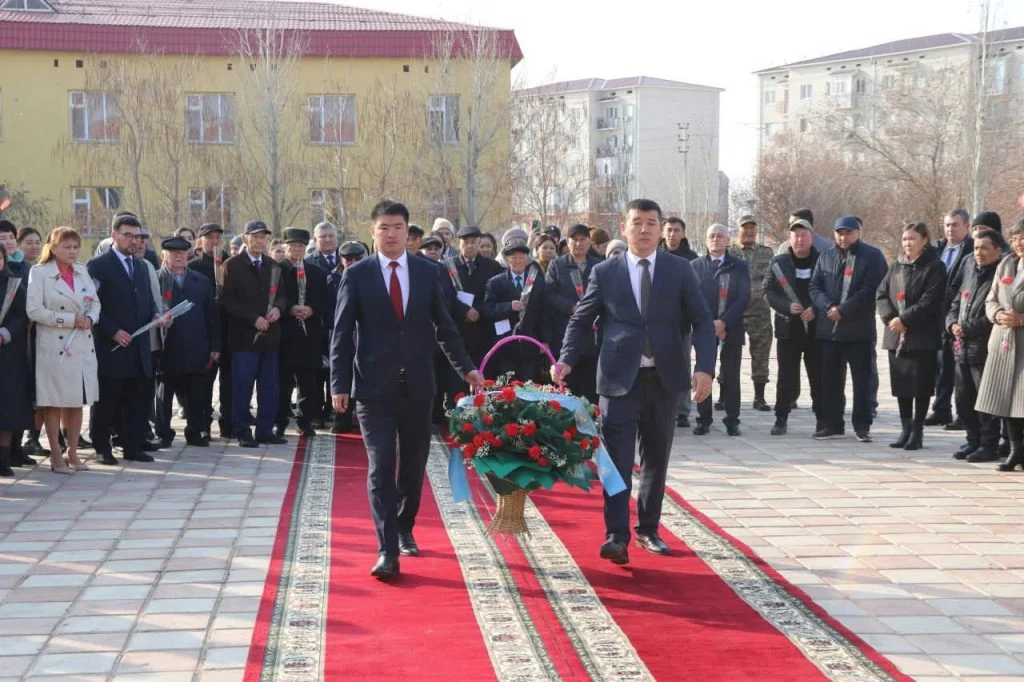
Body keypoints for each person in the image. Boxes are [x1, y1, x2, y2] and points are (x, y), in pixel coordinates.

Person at [552, 198, 715, 565]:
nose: (644, 229)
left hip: (665, 378)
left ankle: (648, 529)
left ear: (662, 230)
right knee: (617, 461)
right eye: (637, 222)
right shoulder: (606, 272)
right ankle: (616, 535)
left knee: (656, 459)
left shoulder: (680, 271)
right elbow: (581, 321)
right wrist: (565, 359)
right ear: (623, 227)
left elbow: (703, 321)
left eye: (651, 223)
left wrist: (705, 367)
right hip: (617, 380)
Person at [330, 200, 483, 580]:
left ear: (407, 230)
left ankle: (405, 527)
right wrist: (339, 383)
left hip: (417, 384)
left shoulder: (428, 272)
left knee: (413, 467)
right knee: (381, 466)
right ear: (373, 232)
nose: (392, 234)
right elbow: (341, 332)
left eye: (398, 227)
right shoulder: (358, 274)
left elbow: (445, 327)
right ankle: (386, 549)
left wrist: (467, 368)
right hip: (373, 388)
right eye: (384, 227)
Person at [809, 216, 888, 442]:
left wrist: (844, 309)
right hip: (829, 330)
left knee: (862, 381)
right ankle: (832, 424)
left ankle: (862, 425)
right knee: (830, 380)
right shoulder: (826, 257)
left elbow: (871, 288)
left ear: (859, 233)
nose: (843, 237)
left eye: (849, 233)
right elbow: (815, 287)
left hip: (858, 331)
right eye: (839, 233)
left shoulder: (872, 257)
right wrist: (828, 306)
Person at [876, 222, 946, 451]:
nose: (908, 243)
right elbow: (882, 294)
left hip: (921, 335)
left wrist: (905, 319)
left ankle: (917, 430)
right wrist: (890, 319)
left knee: (920, 386)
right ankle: (905, 429)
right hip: (896, 335)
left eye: (913, 238)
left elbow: (930, 300)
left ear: (925, 240)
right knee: (902, 385)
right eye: (905, 238)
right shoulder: (896, 265)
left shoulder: (934, 267)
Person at [220, 220, 290, 447]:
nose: (260, 241)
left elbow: (282, 296)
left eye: (263, 237)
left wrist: (279, 309)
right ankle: (242, 431)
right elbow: (227, 301)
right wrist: (253, 319)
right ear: (245, 237)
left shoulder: (273, 265)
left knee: (269, 386)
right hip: (243, 339)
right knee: (242, 386)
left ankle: (265, 429)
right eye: (255, 236)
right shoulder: (232, 265)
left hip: (270, 337)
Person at [154, 237, 219, 447]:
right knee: (165, 393)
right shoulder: (156, 280)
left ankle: (195, 431)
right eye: (173, 253)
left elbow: (211, 316)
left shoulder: (201, 281)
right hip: (167, 346)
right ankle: (163, 432)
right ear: (164, 255)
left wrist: (215, 345)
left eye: (182, 253)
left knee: (196, 392)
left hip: (196, 345)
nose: (179, 257)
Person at [948, 229, 1005, 463]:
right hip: (962, 345)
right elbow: (956, 299)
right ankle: (972, 440)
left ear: (997, 250)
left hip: (985, 347)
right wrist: (951, 323)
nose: (978, 253)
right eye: (975, 248)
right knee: (963, 398)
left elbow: (996, 311)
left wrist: (968, 327)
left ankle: (988, 444)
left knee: (986, 400)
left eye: (984, 248)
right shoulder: (969, 266)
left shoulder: (1002, 272)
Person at [762, 218, 821, 436]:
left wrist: (816, 308)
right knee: (786, 376)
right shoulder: (779, 262)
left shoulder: (823, 261)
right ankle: (781, 418)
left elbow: (830, 290)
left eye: (804, 235)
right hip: (789, 328)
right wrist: (787, 306)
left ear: (811, 237)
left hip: (816, 328)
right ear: (790, 238)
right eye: (795, 235)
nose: (800, 239)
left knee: (818, 375)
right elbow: (767, 292)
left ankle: (822, 418)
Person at [691, 224, 750, 436]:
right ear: (706, 240)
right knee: (704, 372)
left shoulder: (739, 266)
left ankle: (732, 420)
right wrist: (710, 325)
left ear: (728, 240)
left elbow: (743, 297)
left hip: (731, 328)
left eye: (720, 236)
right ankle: (703, 419)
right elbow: (693, 299)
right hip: (704, 330)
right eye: (712, 236)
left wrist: (723, 322)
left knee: (732, 376)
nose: (716, 239)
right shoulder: (695, 266)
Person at [975, 218, 1024, 472]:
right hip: (1004, 339)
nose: (1020, 243)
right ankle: (1016, 450)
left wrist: (1022, 319)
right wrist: (998, 315)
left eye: (1023, 238)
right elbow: (990, 300)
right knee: (1006, 396)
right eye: (1016, 239)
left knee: (1023, 398)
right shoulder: (1006, 264)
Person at [276, 228, 328, 438]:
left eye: (301, 246)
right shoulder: (276, 270)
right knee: (282, 383)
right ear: (285, 247)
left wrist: (312, 309)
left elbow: (325, 300)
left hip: (309, 336)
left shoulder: (316, 272)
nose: (296, 249)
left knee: (308, 383)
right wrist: (289, 309)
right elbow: (272, 300)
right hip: (284, 334)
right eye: (292, 245)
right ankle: (279, 422)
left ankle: (305, 422)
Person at [925, 208, 973, 428]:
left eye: (955, 225)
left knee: (957, 368)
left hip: (959, 316)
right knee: (939, 365)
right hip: (934, 316)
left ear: (966, 226)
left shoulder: (973, 250)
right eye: (946, 225)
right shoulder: (935, 249)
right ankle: (941, 409)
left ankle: (964, 414)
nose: (950, 229)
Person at [545, 223, 603, 403]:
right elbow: (549, 294)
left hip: (594, 335)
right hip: (565, 332)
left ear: (589, 242)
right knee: (568, 386)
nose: (578, 244)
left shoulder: (599, 265)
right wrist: (571, 307)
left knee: (591, 385)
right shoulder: (557, 265)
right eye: (574, 240)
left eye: (583, 239)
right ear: (567, 243)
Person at [189, 223, 232, 439]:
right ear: (201, 241)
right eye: (209, 238)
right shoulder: (194, 267)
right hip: (204, 333)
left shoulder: (231, 265)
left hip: (230, 331)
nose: (214, 242)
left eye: (218, 238)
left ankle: (228, 422)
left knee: (229, 381)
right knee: (204, 383)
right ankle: (202, 423)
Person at [482, 240, 547, 380]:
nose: (518, 261)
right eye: (514, 257)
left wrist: (545, 340)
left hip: (530, 343)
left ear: (527, 260)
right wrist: (508, 306)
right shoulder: (496, 282)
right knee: (506, 387)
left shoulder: (537, 283)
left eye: (521, 257)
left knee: (529, 387)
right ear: (507, 260)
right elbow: (488, 309)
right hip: (505, 344)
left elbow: (544, 313)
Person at [730, 215, 774, 412]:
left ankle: (759, 397)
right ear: (737, 230)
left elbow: (772, 280)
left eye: (752, 228)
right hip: (734, 313)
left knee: (761, 355)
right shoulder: (728, 252)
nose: (748, 232)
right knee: (729, 355)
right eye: (744, 228)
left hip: (760, 313)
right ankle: (726, 396)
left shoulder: (767, 253)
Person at [0, 243, 32, 477]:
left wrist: (4, 334)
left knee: (7, 408)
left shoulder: (14, 284)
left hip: (8, 355)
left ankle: (3, 457)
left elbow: (22, 317)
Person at [453, 225, 503, 366]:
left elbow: (496, 296)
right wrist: (465, 311)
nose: (469, 245)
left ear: (479, 243)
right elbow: (445, 296)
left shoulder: (492, 267)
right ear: (459, 243)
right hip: (458, 330)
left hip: (484, 330)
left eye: (473, 242)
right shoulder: (448, 266)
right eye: (466, 242)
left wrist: (478, 311)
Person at [331, 240, 367, 433]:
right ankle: (341, 417)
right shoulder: (334, 278)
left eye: (357, 258)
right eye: (348, 259)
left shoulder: (370, 277)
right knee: (342, 373)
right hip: (343, 334)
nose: (352, 262)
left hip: (364, 336)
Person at [310, 221, 342, 427]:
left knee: (337, 369)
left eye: (331, 236)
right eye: (323, 236)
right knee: (315, 370)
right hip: (316, 325)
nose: (328, 239)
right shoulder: (308, 262)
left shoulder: (347, 260)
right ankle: (315, 411)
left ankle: (336, 409)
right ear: (316, 240)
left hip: (340, 325)